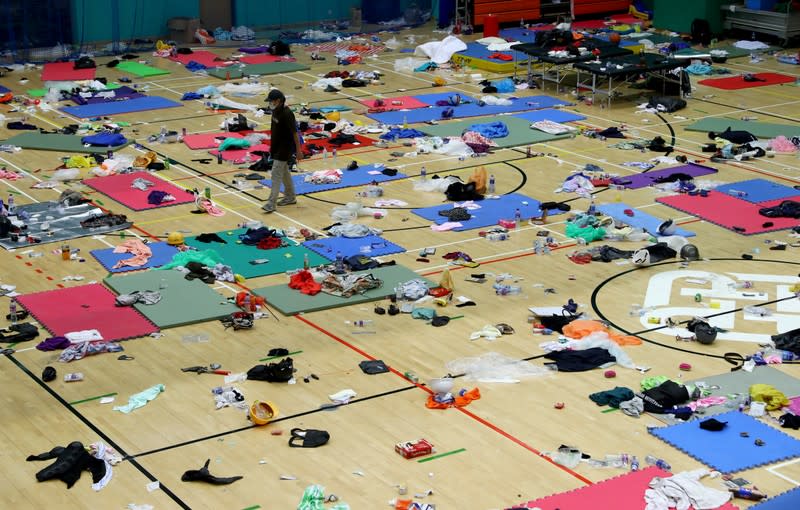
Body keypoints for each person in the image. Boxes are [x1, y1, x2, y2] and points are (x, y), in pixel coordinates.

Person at [262, 89, 303, 213]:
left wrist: (298, 150)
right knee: (284, 172)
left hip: (285, 148)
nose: (270, 103)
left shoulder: (287, 113)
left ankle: (271, 203)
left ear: (278, 101)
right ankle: (290, 197)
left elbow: (295, 133)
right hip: (277, 147)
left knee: (276, 174)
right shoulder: (275, 111)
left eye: (271, 101)